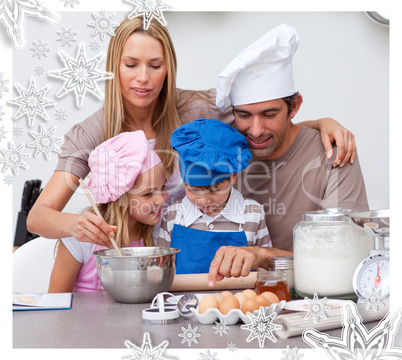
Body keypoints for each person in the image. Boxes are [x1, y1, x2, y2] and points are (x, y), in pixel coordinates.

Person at [27, 16, 357, 249]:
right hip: (135, 254)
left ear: (168, 67)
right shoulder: (92, 133)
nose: (143, 77)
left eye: (155, 65)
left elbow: (260, 118)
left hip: (199, 252)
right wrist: (73, 225)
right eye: (131, 64)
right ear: (114, 67)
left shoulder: (197, 110)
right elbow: (38, 217)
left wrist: (320, 123)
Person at [207, 23, 369, 286]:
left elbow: (341, 256)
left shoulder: (333, 153)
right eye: (244, 115)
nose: (256, 131)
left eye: (270, 115)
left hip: (310, 297)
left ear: (294, 106)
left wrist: (261, 256)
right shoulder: (222, 151)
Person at [48, 131, 166, 292]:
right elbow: (56, 302)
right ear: (120, 197)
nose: (162, 200)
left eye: (163, 187)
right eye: (148, 194)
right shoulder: (81, 238)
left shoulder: (159, 232)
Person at [158, 119, 272, 274]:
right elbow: (162, 271)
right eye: (193, 190)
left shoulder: (252, 214)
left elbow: (268, 269)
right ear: (180, 173)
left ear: (234, 176)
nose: (204, 200)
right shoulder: (172, 216)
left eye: (215, 189)